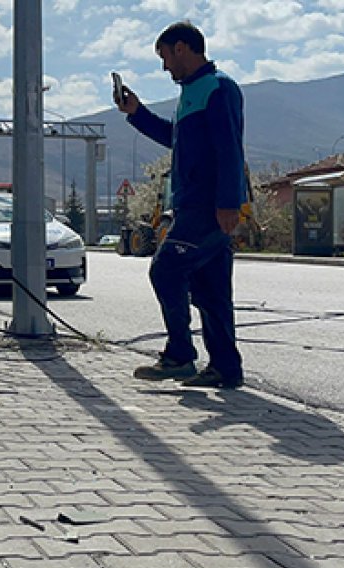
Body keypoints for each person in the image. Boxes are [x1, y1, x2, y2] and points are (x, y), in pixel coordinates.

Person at [115, 21, 246, 388]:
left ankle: (179, 356)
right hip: (193, 205)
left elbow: (229, 148)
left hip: (206, 207)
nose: (164, 67)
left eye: (165, 57)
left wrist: (228, 203)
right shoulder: (192, 93)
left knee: (165, 269)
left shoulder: (218, 88)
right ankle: (225, 369)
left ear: (181, 48)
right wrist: (136, 112)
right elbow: (176, 139)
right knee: (211, 291)